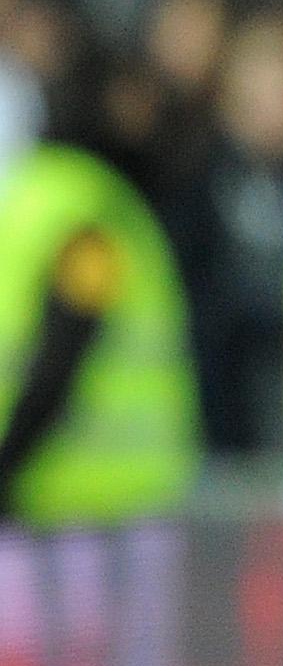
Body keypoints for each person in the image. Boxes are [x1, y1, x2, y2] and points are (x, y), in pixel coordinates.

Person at [0, 127, 198, 529]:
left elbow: (60, 358)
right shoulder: (53, 197)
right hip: (80, 503)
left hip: (100, 508)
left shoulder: (76, 208)